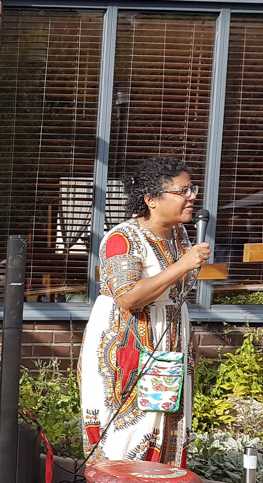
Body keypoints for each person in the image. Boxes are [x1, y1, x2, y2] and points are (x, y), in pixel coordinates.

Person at [78, 157, 210, 465]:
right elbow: (127, 298)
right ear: (151, 200)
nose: (192, 197)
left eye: (192, 189)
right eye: (183, 191)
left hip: (169, 345)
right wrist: (183, 265)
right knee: (131, 427)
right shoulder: (123, 238)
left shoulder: (180, 236)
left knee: (165, 421)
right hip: (129, 347)